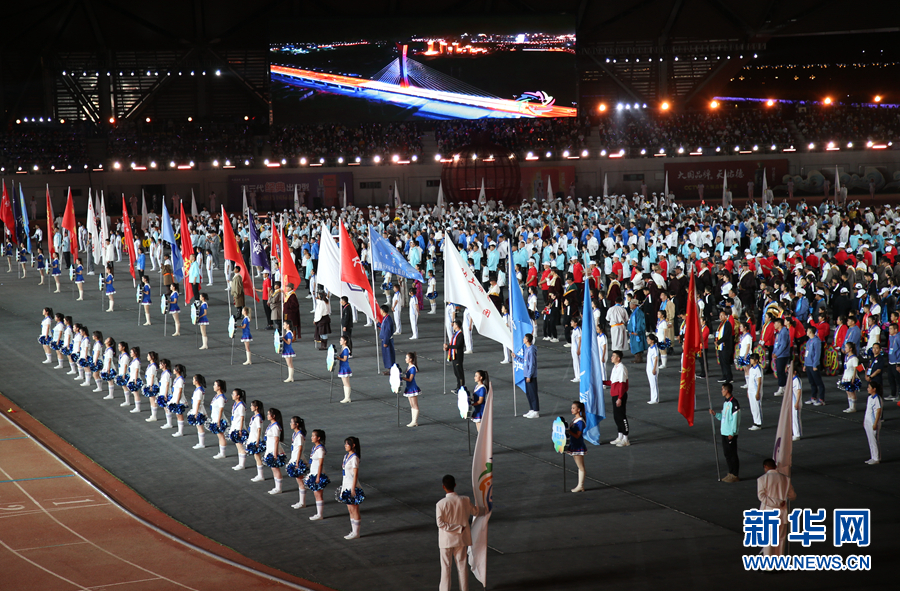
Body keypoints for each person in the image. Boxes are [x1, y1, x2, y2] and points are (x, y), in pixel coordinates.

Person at [435, 474, 485, 591]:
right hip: (461, 539)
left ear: (443, 487)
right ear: (455, 485)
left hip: (446, 541)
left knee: (446, 568)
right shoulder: (465, 500)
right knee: (462, 566)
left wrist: (456, 528)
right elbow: (476, 512)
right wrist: (485, 504)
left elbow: (440, 523)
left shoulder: (440, 504)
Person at [756, 458, 797, 555]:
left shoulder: (762, 479)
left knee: (769, 539)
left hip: (768, 513)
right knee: (781, 539)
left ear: (765, 467)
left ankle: (768, 565)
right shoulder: (786, 479)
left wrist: (777, 502)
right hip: (782, 514)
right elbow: (792, 496)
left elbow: (761, 496)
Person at [709, 382, 741, 483]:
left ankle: (735, 474)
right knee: (727, 454)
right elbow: (724, 417)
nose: (721, 391)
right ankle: (730, 473)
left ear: (727, 391)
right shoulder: (726, 402)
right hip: (724, 432)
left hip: (730, 434)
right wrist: (716, 415)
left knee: (732, 454)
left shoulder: (734, 403)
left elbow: (735, 419)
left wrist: (732, 432)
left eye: (722, 389)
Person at [338, 436, 364, 539]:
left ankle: (356, 532)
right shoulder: (346, 456)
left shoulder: (354, 458)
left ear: (353, 445)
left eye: (347, 444)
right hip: (346, 484)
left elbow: (355, 474)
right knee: (350, 509)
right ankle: (353, 530)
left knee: (355, 509)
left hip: (352, 485)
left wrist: (353, 488)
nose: (345, 446)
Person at [604, 350, 630, 446]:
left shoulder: (621, 368)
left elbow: (622, 385)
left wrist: (620, 398)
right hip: (614, 395)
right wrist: (602, 382)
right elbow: (612, 382)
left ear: (618, 358)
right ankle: (620, 436)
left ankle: (626, 438)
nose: (611, 357)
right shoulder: (615, 368)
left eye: (613, 356)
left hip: (620, 395)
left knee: (622, 416)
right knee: (616, 416)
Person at [306, 429, 330, 521]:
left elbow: (320, 464)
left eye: (313, 436)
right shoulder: (315, 447)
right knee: (316, 494)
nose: (311, 437)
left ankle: (320, 514)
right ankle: (318, 513)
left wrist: (318, 476)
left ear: (318, 438)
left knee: (318, 494)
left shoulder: (320, 449)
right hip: (314, 472)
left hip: (318, 474)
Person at [286, 416, 309, 509]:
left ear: (297, 424)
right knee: (299, 481)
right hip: (295, 458)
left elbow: (299, 449)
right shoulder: (295, 434)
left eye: (292, 422)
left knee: (300, 481)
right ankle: (301, 501)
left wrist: (297, 462)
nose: (290, 424)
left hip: (298, 459)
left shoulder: (299, 435)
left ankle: (302, 502)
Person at [263, 407, 287, 495]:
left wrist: (275, 453)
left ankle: (279, 488)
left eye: (269, 414)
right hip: (270, 449)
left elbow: (277, 440)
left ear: (273, 416)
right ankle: (276, 487)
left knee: (276, 469)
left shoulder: (276, 426)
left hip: (274, 450)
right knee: (273, 469)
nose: (267, 415)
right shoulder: (271, 425)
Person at [567, 401, 587, 493]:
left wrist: (568, 431)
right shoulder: (575, 419)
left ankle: (580, 485)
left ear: (579, 409)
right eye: (571, 408)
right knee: (579, 466)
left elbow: (577, 435)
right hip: (574, 444)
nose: (572, 409)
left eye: (573, 408)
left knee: (581, 467)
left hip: (578, 445)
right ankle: (580, 485)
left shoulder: (580, 422)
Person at [837, 342, 863, 413]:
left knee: (852, 392)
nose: (845, 349)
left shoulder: (854, 358)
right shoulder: (847, 356)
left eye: (846, 347)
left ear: (850, 349)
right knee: (848, 392)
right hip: (846, 376)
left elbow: (855, 369)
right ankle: (850, 407)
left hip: (851, 377)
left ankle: (853, 407)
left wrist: (853, 379)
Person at [246, 399, 267, 483]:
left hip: (255, 439)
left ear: (256, 407)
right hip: (253, 438)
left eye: (252, 405)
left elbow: (259, 429)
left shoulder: (258, 417)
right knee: (256, 457)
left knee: (258, 458)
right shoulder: (254, 417)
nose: (250, 407)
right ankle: (259, 474)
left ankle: (261, 475)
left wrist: (257, 441)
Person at [803, 326, 825, 405]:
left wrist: (815, 365)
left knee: (818, 382)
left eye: (807, 330)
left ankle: (821, 399)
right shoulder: (809, 341)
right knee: (812, 382)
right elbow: (806, 353)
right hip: (808, 364)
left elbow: (817, 354)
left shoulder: (816, 341)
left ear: (810, 331)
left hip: (813, 365)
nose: (806, 331)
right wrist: (805, 364)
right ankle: (813, 397)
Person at [208, 379, 230, 458]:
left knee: (221, 436)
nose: (213, 386)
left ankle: (222, 453)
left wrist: (218, 421)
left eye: (215, 385)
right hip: (215, 418)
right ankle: (221, 452)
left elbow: (221, 409)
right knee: (219, 436)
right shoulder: (217, 396)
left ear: (219, 387)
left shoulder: (220, 398)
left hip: (218, 419)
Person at [863, 382, 883, 464]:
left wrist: (875, 423)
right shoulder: (869, 398)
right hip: (868, 421)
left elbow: (878, 411)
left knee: (874, 440)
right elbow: (867, 410)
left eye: (869, 387)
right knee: (870, 440)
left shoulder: (877, 398)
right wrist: (864, 420)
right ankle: (873, 456)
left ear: (874, 389)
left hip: (873, 422)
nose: (868, 389)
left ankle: (876, 458)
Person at [229, 388, 249, 471]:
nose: (232, 395)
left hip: (238, 428)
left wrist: (240, 430)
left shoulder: (241, 406)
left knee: (240, 447)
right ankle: (240, 463)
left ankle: (242, 464)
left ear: (238, 396)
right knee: (238, 446)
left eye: (234, 394)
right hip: (235, 427)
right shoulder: (235, 404)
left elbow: (242, 418)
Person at [187, 374, 208, 450]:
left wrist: (195, 413)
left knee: (200, 427)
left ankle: (202, 443)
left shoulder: (199, 390)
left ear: (197, 381)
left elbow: (198, 402)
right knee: (198, 426)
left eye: (193, 379)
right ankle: (200, 442)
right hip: (197, 409)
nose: (192, 381)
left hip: (199, 410)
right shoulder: (198, 389)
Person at [401, 352, 422, 427]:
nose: (405, 359)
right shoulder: (409, 367)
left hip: (412, 387)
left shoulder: (413, 368)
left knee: (414, 405)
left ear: (410, 359)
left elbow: (410, 379)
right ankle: (413, 420)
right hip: (409, 387)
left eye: (407, 358)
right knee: (412, 405)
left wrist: (402, 378)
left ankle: (414, 421)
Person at [167, 364, 188, 438]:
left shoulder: (180, 380)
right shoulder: (177, 379)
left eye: (174, 369)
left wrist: (177, 401)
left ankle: (180, 431)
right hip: (175, 397)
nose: (173, 370)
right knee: (177, 415)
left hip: (179, 399)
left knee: (179, 415)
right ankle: (179, 431)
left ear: (178, 370)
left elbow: (180, 391)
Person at [772, 317, 791, 397]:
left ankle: (782, 387)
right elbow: (777, 344)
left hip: (782, 355)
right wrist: (774, 352)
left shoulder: (783, 332)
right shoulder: (779, 332)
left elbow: (783, 345)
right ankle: (783, 387)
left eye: (775, 323)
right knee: (780, 371)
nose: (774, 325)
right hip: (779, 354)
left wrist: (777, 353)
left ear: (779, 324)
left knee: (780, 372)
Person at [522, 333, 539, 418]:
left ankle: (536, 410)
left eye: (524, 338)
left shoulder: (531, 350)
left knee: (533, 393)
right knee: (528, 393)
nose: (523, 339)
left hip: (530, 375)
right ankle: (532, 409)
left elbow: (532, 363)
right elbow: (525, 361)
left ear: (527, 340)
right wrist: (516, 357)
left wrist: (529, 375)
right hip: (526, 374)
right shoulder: (527, 349)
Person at [444, 319, 465, 390]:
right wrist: (447, 348)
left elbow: (458, 345)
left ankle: (461, 386)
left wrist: (448, 346)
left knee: (459, 372)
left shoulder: (460, 335)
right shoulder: (455, 334)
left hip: (458, 356)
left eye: (454, 324)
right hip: (454, 356)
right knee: (456, 372)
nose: (453, 326)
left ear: (457, 326)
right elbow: (452, 344)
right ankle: (458, 386)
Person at [716, 309, 734, 383]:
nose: (720, 317)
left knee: (726, 362)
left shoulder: (727, 324)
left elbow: (726, 335)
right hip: (720, 346)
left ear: (726, 316)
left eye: (722, 315)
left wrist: (719, 342)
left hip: (725, 346)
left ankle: (729, 377)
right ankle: (724, 375)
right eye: (720, 315)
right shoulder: (721, 324)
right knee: (722, 362)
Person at [747, 353, 763, 430]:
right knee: (752, 407)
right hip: (751, 390)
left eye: (752, 359)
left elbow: (759, 382)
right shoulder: (751, 369)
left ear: (756, 360)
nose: (750, 360)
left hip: (756, 391)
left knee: (756, 407)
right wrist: (748, 391)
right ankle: (755, 421)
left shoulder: (758, 369)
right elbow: (750, 381)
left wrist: (757, 393)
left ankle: (758, 423)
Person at [379, 304, 396, 376]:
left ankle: (391, 369)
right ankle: (389, 369)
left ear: (383, 311)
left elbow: (387, 332)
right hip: (385, 339)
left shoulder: (388, 319)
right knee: (386, 355)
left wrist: (385, 341)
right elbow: (383, 327)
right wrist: (378, 324)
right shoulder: (385, 318)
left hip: (387, 340)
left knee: (389, 355)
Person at [790, 358, 803, 441]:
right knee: (793, 418)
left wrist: (797, 402)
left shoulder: (797, 380)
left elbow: (799, 391)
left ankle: (797, 434)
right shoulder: (792, 380)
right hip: (793, 401)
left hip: (796, 401)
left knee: (796, 418)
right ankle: (795, 432)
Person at [337, 336, 352, 404]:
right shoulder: (343, 348)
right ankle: (346, 397)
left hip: (345, 367)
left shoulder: (345, 349)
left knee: (346, 383)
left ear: (345, 341)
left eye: (341, 340)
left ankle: (347, 397)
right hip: (343, 366)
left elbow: (345, 359)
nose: (340, 341)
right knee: (344, 382)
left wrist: (338, 358)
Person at [646, 333, 660, 404]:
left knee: (654, 384)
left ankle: (655, 399)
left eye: (648, 339)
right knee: (651, 384)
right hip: (649, 368)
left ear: (652, 340)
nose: (647, 340)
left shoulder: (655, 348)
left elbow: (656, 359)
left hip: (652, 369)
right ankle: (652, 398)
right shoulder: (649, 348)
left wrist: (654, 368)